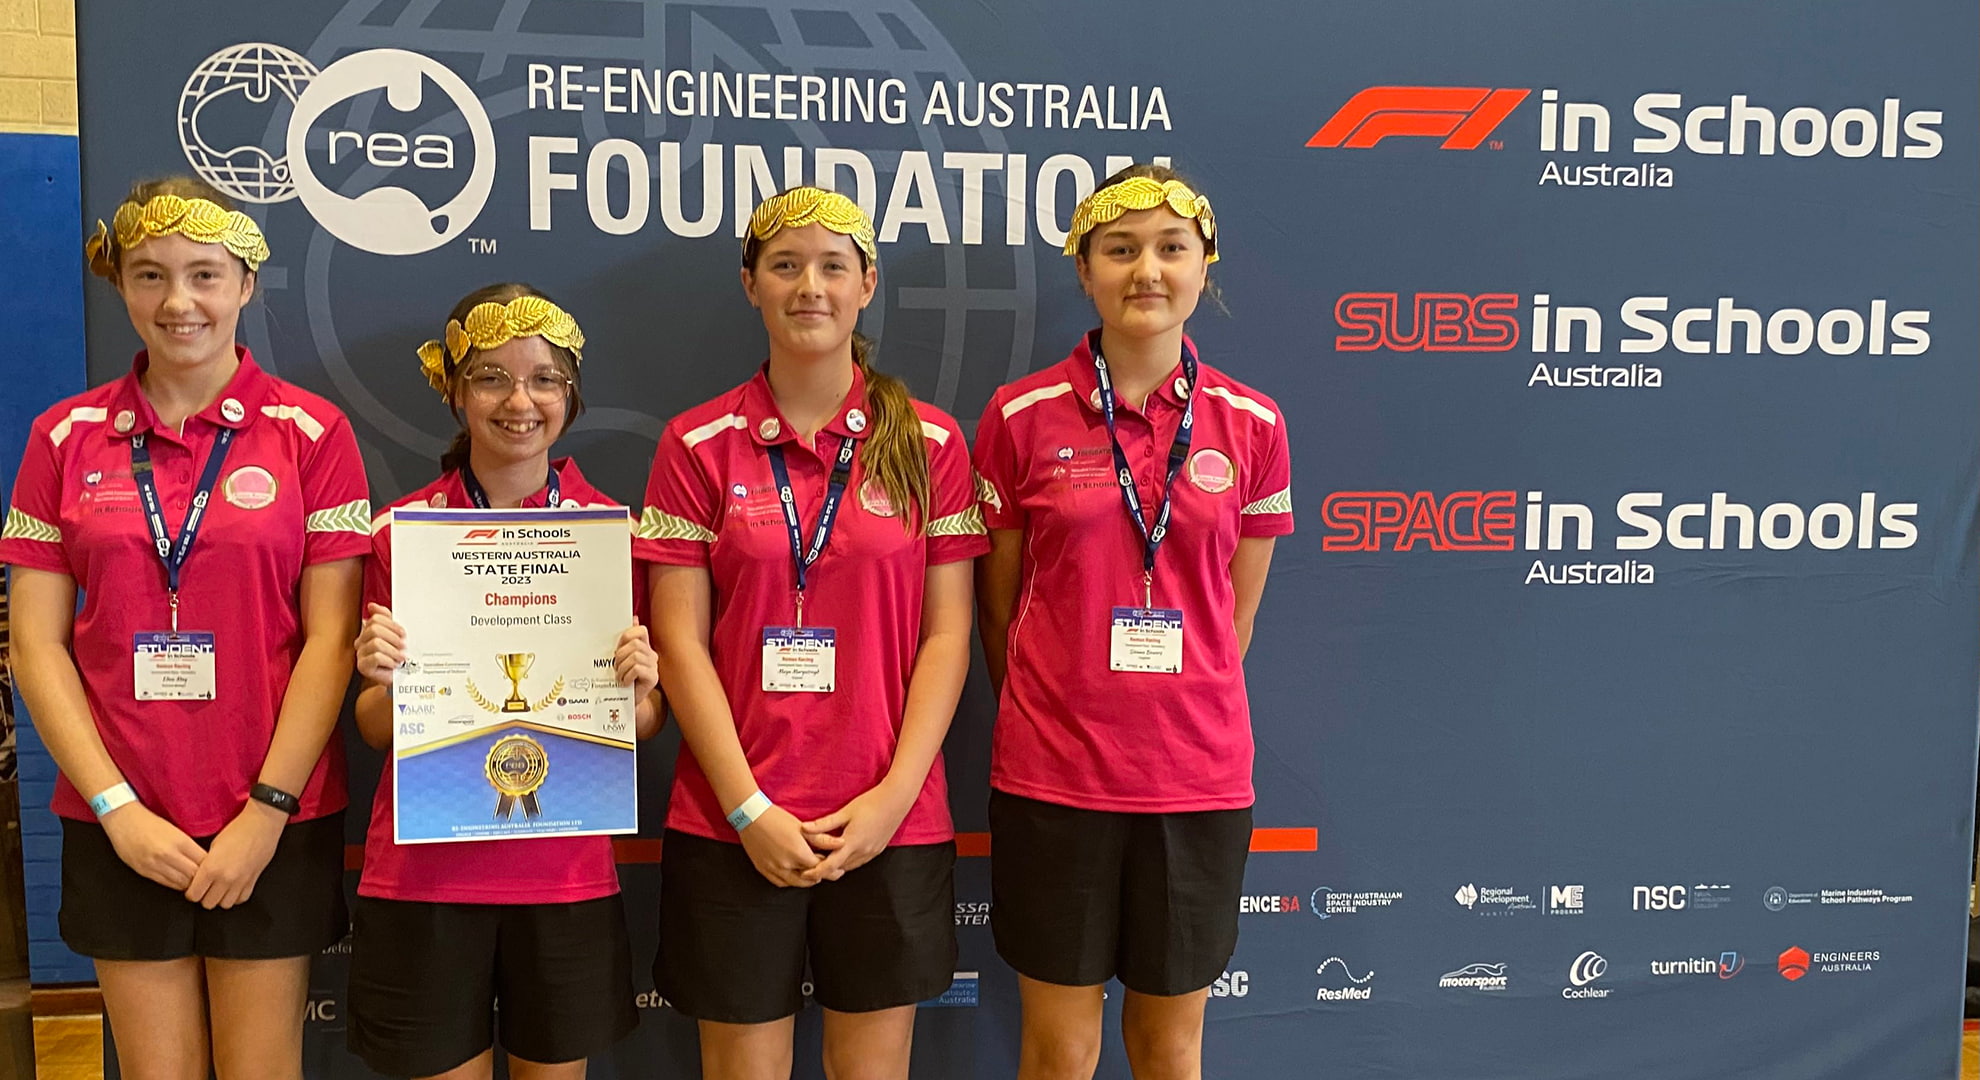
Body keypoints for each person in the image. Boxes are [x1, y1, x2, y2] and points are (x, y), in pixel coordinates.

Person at [0, 177, 370, 1080]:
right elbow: (35, 642)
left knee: (259, 1068)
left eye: (205, 275)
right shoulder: (63, 436)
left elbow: (331, 638)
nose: (178, 302)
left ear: (246, 284)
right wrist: (115, 809)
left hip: (271, 813)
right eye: (150, 275)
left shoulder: (312, 433)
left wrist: (266, 813)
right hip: (120, 810)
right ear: (119, 285)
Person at [636, 186, 986, 1080]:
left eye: (834, 266)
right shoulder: (695, 443)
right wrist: (749, 808)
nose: (810, 287)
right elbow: (679, 644)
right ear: (750, 283)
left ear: (868, 283)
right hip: (734, 822)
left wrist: (893, 799)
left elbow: (948, 637)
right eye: (785, 266)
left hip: (888, 822)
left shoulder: (932, 443)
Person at [972, 165, 1294, 1080]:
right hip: (1054, 777)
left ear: (1204, 266)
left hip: (1194, 781)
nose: (1145, 270)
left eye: (1170, 249)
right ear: (1085, 270)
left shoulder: (1254, 424)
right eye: (1119, 250)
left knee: (1169, 1045)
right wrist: (1053, 701)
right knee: (1059, 1048)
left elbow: (1234, 618)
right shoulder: (1019, 416)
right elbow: (999, 608)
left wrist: (1175, 708)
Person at [347, 283, 662, 1079]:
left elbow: (645, 721)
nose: (519, 401)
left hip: (562, 878)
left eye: (544, 379)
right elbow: (375, 728)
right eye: (491, 377)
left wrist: (636, 694)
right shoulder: (400, 534)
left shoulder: (615, 535)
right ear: (454, 391)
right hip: (426, 874)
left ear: (570, 396)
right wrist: (381, 678)